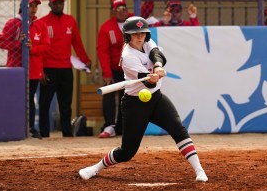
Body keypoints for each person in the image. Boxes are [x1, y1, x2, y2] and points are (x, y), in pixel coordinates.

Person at [78, 16, 208, 182]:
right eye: (135, 33)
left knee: (178, 129)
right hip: (134, 104)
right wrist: (152, 78)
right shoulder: (128, 57)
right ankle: (95, 168)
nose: (140, 36)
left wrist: (158, 67)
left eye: (142, 33)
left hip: (156, 99)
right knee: (127, 152)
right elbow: (150, 84)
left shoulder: (147, 42)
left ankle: (199, 171)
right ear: (128, 36)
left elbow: (157, 54)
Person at [0, 0, 50, 139]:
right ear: (23, 7)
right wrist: (17, 43)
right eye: (30, 6)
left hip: (34, 70)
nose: (33, 9)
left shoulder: (40, 25)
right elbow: (1, 42)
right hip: (16, 68)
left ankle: (31, 127)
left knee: (30, 99)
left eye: (35, 6)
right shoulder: (13, 23)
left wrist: (33, 48)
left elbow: (46, 46)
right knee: (16, 98)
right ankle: (13, 127)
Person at [39, 0, 91, 137]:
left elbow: (77, 43)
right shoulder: (42, 22)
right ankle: (44, 133)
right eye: (55, 3)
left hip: (66, 68)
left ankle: (67, 134)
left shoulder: (70, 20)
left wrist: (85, 60)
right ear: (50, 4)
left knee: (66, 104)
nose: (59, 5)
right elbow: (40, 49)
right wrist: (40, 70)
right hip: (49, 68)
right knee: (45, 102)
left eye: (61, 2)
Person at [97, 0, 134, 138]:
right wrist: (106, 73)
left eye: (123, 8)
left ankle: (123, 126)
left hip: (131, 68)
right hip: (114, 68)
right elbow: (102, 51)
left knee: (129, 97)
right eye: (118, 9)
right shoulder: (106, 27)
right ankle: (109, 125)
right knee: (108, 92)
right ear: (113, 11)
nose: (121, 11)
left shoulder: (134, 22)